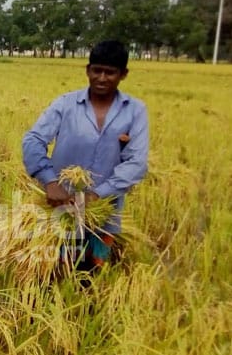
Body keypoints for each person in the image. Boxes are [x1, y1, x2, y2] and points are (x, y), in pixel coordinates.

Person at [22, 40, 149, 269]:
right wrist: (50, 180)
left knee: (94, 273)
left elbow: (137, 162)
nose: (102, 78)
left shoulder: (135, 111)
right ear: (88, 70)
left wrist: (97, 195)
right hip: (62, 209)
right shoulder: (66, 104)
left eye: (110, 72)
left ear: (123, 74)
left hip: (104, 215)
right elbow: (33, 140)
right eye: (97, 70)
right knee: (57, 270)